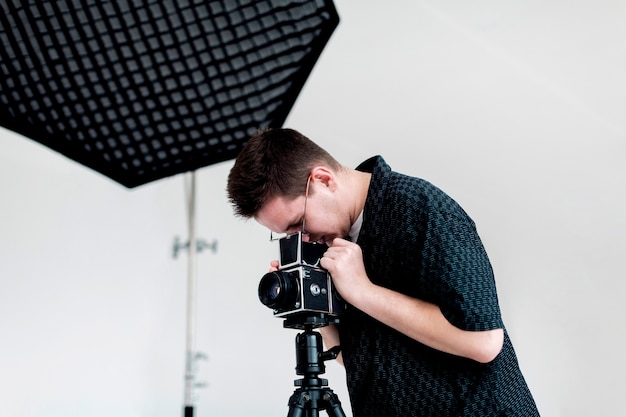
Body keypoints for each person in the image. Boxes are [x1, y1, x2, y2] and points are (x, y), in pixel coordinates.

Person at [227, 128, 539, 417]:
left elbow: (483, 342)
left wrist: (363, 291)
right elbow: (356, 359)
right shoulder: (338, 242)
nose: (302, 240)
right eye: (287, 234)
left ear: (323, 180)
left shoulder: (420, 207)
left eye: (298, 224)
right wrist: (311, 300)